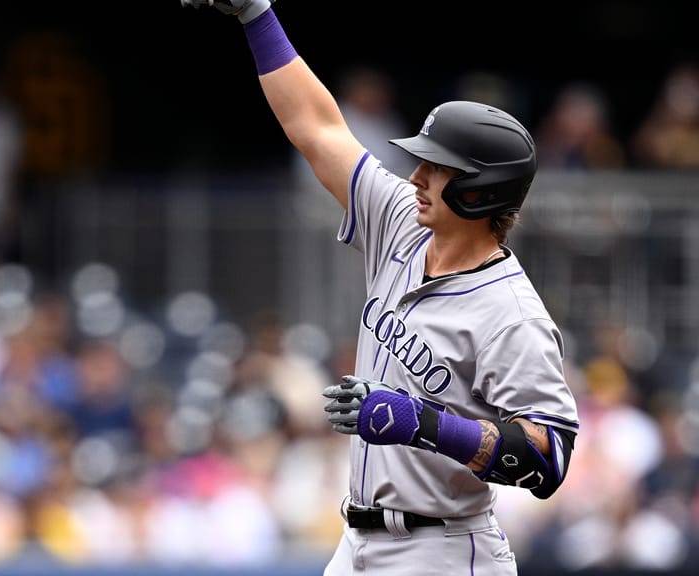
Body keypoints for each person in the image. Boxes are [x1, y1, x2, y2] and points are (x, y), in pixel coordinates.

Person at [180, 2, 581, 575]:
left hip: (441, 550)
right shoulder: (400, 220)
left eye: (436, 169)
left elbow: (548, 458)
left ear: (479, 190)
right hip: (357, 541)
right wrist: (256, 15)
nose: (416, 177)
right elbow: (317, 130)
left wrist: (425, 423)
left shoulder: (510, 313)